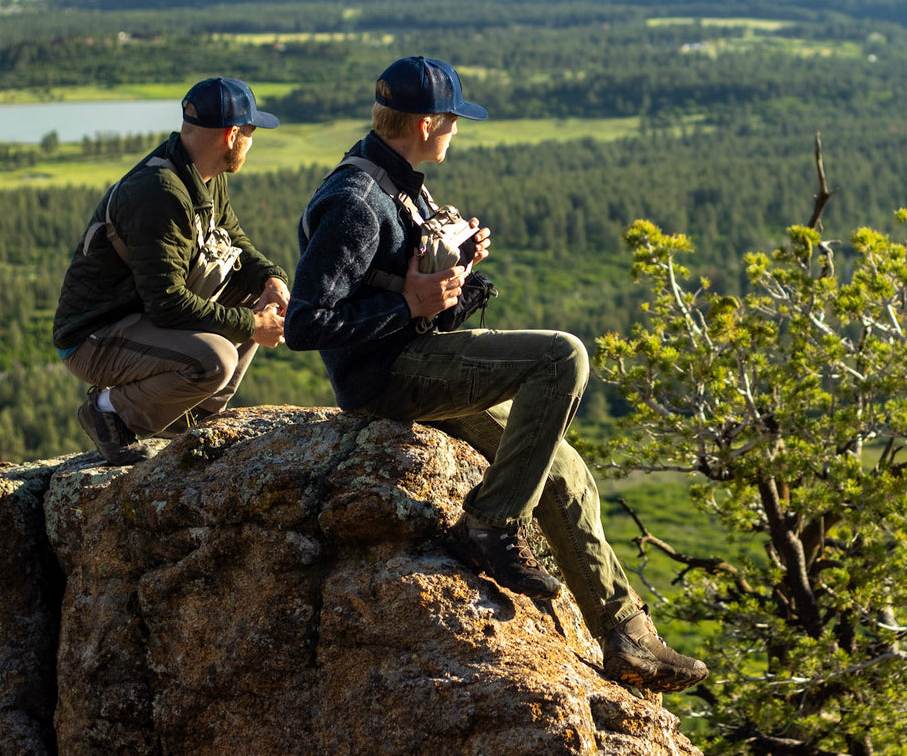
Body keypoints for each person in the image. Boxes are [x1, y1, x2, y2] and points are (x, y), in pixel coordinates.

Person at [285, 56, 709, 693]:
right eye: (453, 120)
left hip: (416, 360)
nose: (457, 130)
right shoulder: (356, 200)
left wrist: (452, 269)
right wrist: (410, 304)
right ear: (427, 123)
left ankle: (626, 636)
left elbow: (412, 289)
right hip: (389, 378)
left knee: (564, 469)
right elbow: (306, 324)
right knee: (561, 355)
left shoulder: (401, 181)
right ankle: (488, 524)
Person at [53, 77, 290, 465]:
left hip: (139, 320)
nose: (252, 141)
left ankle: (186, 420)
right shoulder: (161, 192)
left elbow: (234, 241)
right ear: (231, 136)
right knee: (215, 358)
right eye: (250, 132)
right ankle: (108, 409)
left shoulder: (204, 176)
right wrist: (251, 326)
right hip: (92, 336)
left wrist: (271, 279)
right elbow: (167, 304)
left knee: (257, 299)